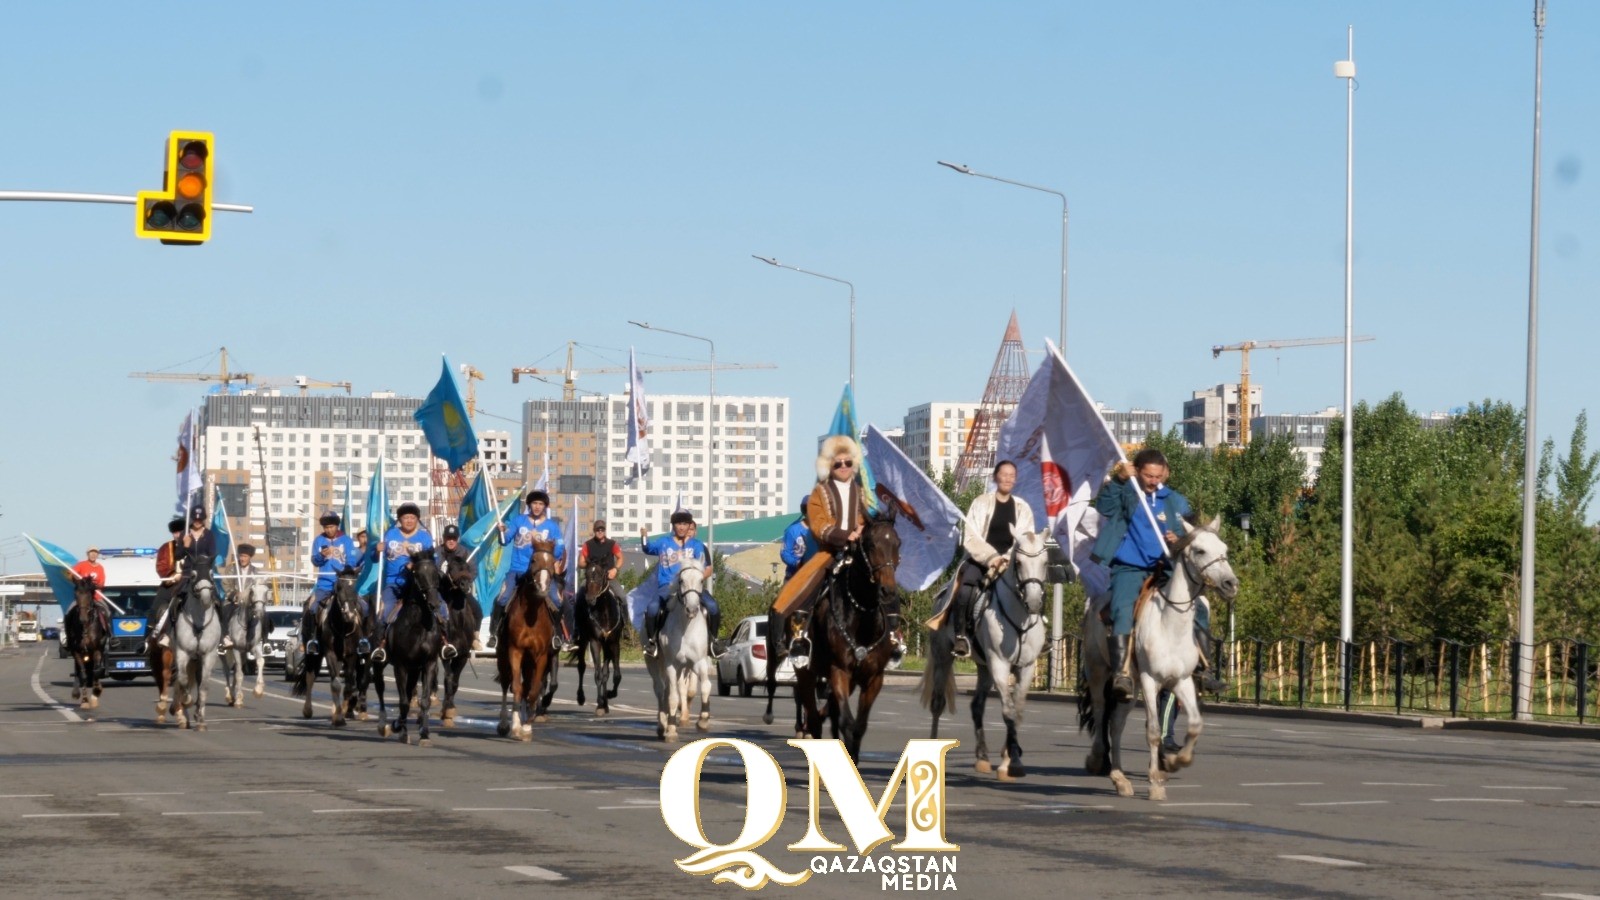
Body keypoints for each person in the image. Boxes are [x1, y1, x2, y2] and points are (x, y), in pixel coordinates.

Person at [1089, 448, 1193, 701]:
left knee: (1197, 605)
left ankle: (1202, 665)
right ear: (1137, 471)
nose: (1153, 481)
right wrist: (1118, 479)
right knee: (1122, 608)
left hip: (1165, 567)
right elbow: (1102, 506)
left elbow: (1192, 532)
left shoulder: (1175, 501)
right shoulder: (1127, 493)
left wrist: (1178, 541)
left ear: (1165, 474)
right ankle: (1122, 671)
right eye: (1148, 476)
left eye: (1158, 476)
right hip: (1130, 566)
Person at [770, 435, 872, 659]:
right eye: (838, 463)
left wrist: (863, 530)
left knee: (885, 581)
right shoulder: (820, 493)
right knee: (796, 592)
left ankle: (892, 634)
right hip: (828, 553)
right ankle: (796, 637)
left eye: (848, 462)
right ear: (830, 466)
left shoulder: (862, 492)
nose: (843, 467)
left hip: (858, 553)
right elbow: (818, 525)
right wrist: (847, 536)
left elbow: (867, 518)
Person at [947, 460, 1036, 659]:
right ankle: (961, 635)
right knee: (966, 589)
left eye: (1012, 475)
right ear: (996, 477)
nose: (1007, 479)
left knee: (1033, 586)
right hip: (981, 560)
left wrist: (1007, 557)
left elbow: (1027, 538)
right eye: (1004, 474)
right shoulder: (980, 503)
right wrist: (992, 558)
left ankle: (1038, 634)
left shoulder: (1023, 508)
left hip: (1012, 561)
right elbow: (970, 536)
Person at [370, 502, 452, 663]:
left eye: (412, 517)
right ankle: (380, 646)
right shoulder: (390, 534)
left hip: (419, 585)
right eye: (405, 517)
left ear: (417, 519)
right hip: (394, 583)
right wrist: (376, 551)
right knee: (386, 611)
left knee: (440, 606)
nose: (409, 520)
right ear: (400, 519)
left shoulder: (424, 536)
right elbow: (374, 559)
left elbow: (432, 560)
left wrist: (415, 566)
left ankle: (445, 642)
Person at [639, 510, 724, 658]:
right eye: (679, 523)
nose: (682, 527)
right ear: (673, 525)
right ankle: (652, 642)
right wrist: (644, 536)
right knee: (652, 608)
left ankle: (714, 642)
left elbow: (705, 566)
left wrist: (697, 578)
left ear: (689, 525)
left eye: (685, 524)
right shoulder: (663, 543)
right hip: (667, 586)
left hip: (692, 587)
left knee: (713, 606)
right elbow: (647, 548)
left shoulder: (696, 545)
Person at [488, 490, 566, 649]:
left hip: (542, 572)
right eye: (534, 503)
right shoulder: (518, 521)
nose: (537, 507)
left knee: (557, 600)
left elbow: (560, 547)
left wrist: (549, 557)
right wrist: (501, 531)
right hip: (517, 570)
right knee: (502, 598)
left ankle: (558, 635)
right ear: (529, 505)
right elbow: (505, 540)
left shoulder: (552, 526)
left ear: (545, 506)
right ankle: (494, 633)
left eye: (541, 504)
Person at [301, 512, 361, 656]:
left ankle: (362, 640)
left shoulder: (346, 540)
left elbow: (352, 560)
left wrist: (346, 572)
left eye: (331, 526)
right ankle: (313, 640)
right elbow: (315, 561)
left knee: (362, 607)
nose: (329, 530)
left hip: (344, 585)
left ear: (337, 526)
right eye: (326, 527)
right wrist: (321, 555)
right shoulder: (318, 540)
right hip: (325, 584)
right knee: (312, 608)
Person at [156, 506, 216, 648]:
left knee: (218, 600)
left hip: (204, 573)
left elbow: (213, 553)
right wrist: (185, 545)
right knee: (175, 600)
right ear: (192, 520)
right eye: (195, 519)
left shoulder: (209, 535)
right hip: (188, 574)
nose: (197, 522)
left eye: (200, 519)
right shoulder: (185, 534)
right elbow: (177, 555)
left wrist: (203, 562)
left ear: (203, 520)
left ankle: (224, 636)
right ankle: (167, 635)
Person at [565, 519, 620, 648]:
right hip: (592, 579)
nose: (600, 532)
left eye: (602, 529)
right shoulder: (587, 544)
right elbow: (581, 562)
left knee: (623, 597)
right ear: (594, 531)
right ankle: (576, 631)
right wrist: (590, 565)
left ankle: (621, 629)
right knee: (578, 597)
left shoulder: (612, 544)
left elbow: (621, 557)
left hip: (608, 578)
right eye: (597, 530)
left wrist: (615, 569)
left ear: (604, 531)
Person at [144, 517, 186, 654]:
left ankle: (221, 637)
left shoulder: (193, 546)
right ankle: (146, 640)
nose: (177, 535)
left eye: (180, 532)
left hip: (188, 584)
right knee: (155, 608)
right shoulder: (165, 548)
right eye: (175, 533)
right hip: (170, 585)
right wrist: (173, 576)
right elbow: (161, 566)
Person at [68, 547, 111, 633]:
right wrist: (76, 578)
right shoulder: (81, 564)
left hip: (96, 597)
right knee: (69, 612)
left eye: (95, 553)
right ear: (88, 554)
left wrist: (94, 586)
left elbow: (101, 583)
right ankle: (68, 635)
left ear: (97, 555)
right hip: (82, 597)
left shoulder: (100, 568)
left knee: (107, 612)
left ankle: (110, 635)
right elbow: (70, 574)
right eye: (91, 553)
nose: (93, 555)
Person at [780, 500, 818, 581]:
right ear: (805, 511)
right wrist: (797, 563)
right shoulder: (792, 530)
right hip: (794, 576)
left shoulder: (821, 531)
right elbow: (785, 553)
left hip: (814, 577)